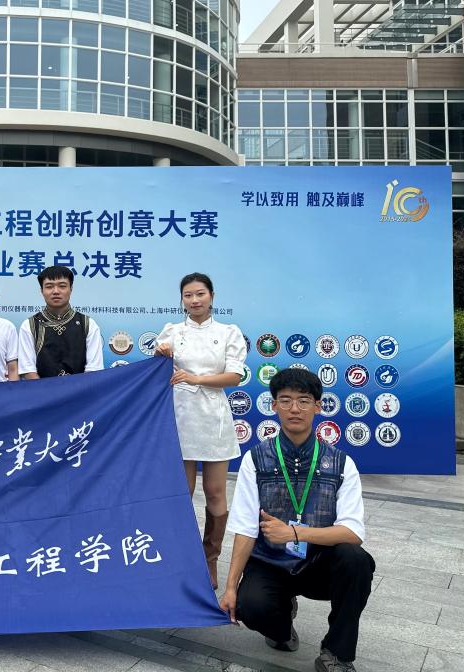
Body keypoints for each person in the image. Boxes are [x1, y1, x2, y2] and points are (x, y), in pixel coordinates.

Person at [219, 369, 374, 672]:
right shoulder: (255, 459)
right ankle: (282, 625)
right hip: (270, 562)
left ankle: (337, 654)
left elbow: (352, 532)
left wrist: (295, 533)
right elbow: (245, 528)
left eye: (303, 401)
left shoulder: (341, 463)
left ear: (318, 406)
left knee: (356, 560)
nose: (294, 409)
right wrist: (230, 587)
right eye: (285, 400)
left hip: (319, 564)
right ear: (273, 406)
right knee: (252, 607)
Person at [154, 272, 247, 588]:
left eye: (200, 294)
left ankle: (210, 560)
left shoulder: (228, 332)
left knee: (215, 492)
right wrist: (160, 354)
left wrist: (196, 379)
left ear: (212, 296)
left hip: (213, 419)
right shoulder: (172, 332)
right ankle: (181, 557)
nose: (194, 300)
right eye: (188, 295)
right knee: (182, 492)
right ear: (182, 299)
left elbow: (234, 376)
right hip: (179, 417)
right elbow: (157, 370)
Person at [17, 265, 104, 379]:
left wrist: (77, 390)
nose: (56, 291)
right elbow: (28, 371)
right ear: (41, 291)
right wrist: (48, 391)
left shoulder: (88, 324)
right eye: (49, 287)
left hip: (81, 389)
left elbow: (93, 370)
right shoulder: (30, 325)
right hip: (41, 390)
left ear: (71, 289)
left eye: (62, 286)